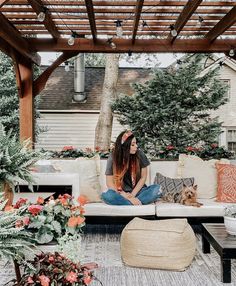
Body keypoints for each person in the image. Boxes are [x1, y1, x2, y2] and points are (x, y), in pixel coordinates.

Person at [101, 130, 162, 205]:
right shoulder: (113, 157)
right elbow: (109, 182)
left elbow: (143, 177)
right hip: (121, 193)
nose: (136, 146)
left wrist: (132, 195)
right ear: (124, 146)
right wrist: (125, 195)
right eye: (132, 145)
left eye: (136, 143)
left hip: (138, 191)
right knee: (107, 196)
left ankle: (127, 203)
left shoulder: (140, 154)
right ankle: (135, 203)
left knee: (158, 189)